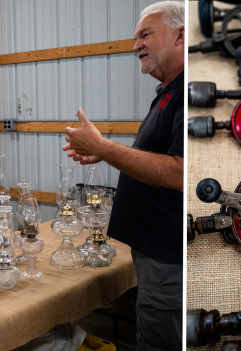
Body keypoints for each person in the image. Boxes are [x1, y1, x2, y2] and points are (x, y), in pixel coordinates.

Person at [63, 1, 184, 349]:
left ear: (181, 36)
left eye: (146, 34)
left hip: (168, 258)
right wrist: (103, 151)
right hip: (155, 253)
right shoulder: (167, 93)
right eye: (135, 38)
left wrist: (104, 148)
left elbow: (180, 171)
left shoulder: (183, 91)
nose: (136, 46)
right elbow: (155, 160)